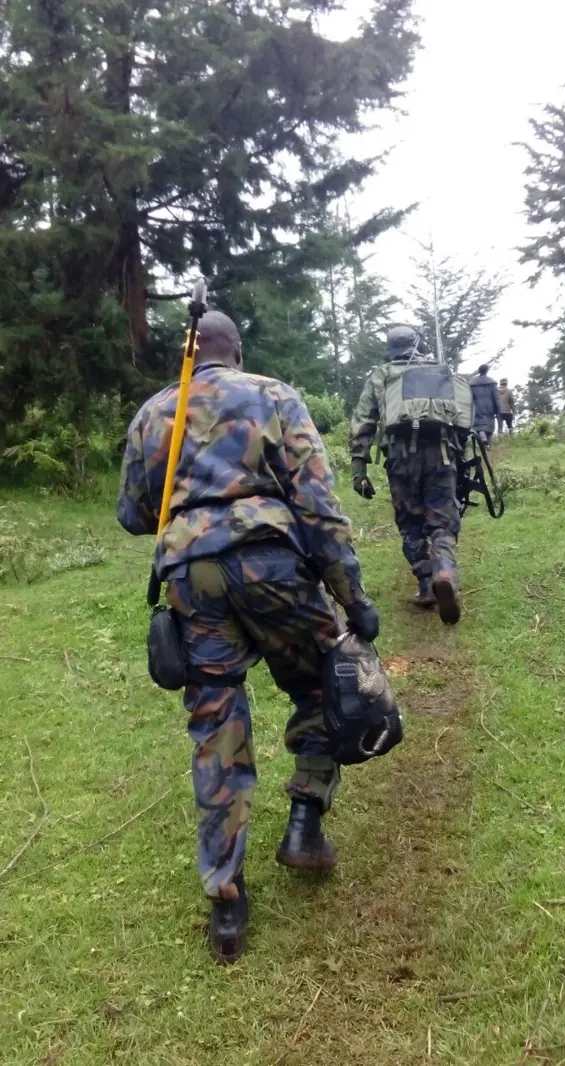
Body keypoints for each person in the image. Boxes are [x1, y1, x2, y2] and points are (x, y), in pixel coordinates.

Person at [117, 310, 379, 965]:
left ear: (190, 351)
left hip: (190, 573)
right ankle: (305, 821)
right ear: (235, 349)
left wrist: (188, 504)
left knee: (217, 724)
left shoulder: (154, 414)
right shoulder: (273, 395)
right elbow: (316, 504)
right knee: (327, 680)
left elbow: (133, 515)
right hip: (274, 563)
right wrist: (352, 595)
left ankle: (227, 897)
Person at [350, 325, 461, 625]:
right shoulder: (438, 370)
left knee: (410, 523)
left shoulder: (381, 374)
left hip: (400, 457)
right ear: (417, 343)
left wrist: (359, 468)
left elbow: (363, 421)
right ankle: (445, 569)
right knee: (442, 521)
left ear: (390, 348)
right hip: (441, 453)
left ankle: (426, 583)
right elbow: (462, 418)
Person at [470, 364, 501, 445]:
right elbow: (496, 398)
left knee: (479, 426)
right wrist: (498, 410)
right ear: (487, 371)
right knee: (489, 427)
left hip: (477, 407)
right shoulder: (492, 383)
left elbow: (469, 397)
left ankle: (482, 435)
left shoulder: (472, 384)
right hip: (489, 408)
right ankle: (488, 446)